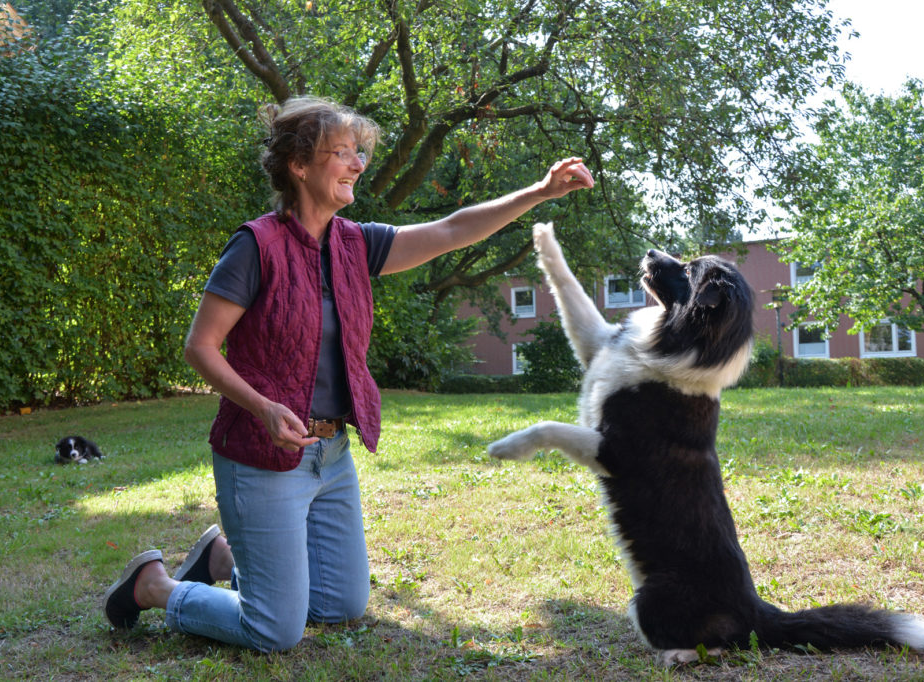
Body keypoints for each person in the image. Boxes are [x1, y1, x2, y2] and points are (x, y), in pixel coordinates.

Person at [102, 96, 593, 651]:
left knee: (340, 604)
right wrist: (262, 407)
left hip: (331, 457)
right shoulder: (256, 245)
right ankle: (156, 585)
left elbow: (454, 230)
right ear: (299, 165)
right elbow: (201, 347)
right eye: (343, 153)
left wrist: (540, 192)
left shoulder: (356, 244)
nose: (359, 163)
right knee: (274, 629)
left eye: (359, 152)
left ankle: (223, 557)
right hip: (261, 458)